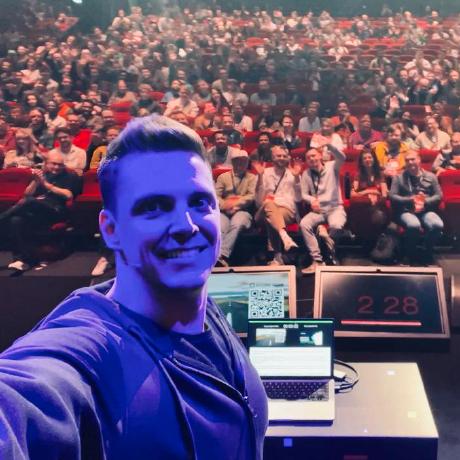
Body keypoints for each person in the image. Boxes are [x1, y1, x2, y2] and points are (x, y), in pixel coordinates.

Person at [0, 115, 268, 458]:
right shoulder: (89, 351)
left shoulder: (202, 306)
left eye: (199, 202)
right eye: (154, 207)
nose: (186, 225)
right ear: (111, 230)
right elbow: (23, 397)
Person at [0, 151, 82, 271]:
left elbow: (68, 195)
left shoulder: (70, 176)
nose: (57, 167)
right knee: (15, 220)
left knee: (30, 201)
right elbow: (26, 194)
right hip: (38, 210)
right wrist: (36, 181)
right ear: (46, 163)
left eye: (60, 164)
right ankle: (22, 259)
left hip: (56, 210)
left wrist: (46, 184)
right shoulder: (43, 175)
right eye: (54, 164)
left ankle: (1, 218)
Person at [389, 150, 443, 264]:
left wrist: (425, 201)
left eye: (412, 159)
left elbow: (439, 195)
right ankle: (410, 253)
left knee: (437, 225)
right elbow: (392, 196)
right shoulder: (398, 178)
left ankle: (426, 251)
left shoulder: (431, 176)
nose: (410, 162)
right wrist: (410, 199)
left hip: (425, 210)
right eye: (407, 160)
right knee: (414, 225)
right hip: (406, 210)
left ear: (419, 160)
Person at [299, 145, 346, 274]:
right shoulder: (306, 174)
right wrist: (312, 200)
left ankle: (329, 252)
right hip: (318, 210)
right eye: (308, 157)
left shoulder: (332, 166)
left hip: (335, 208)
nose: (311, 158)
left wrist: (330, 146)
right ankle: (317, 260)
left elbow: (342, 157)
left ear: (320, 156)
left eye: (313, 155)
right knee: (304, 224)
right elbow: (303, 194)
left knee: (336, 226)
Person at [253, 145, 302, 266]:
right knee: (268, 204)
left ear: (288, 158)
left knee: (272, 218)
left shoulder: (293, 174)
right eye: (278, 156)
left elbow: (299, 198)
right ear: (272, 157)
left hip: (286, 210)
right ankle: (284, 236)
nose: (282, 158)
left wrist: (296, 178)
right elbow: (258, 201)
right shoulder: (264, 173)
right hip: (263, 210)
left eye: (284, 156)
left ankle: (278, 256)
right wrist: (260, 177)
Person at [215, 149, 256, 266]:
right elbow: (216, 196)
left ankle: (221, 255)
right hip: (224, 211)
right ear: (232, 162)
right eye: (237, 161)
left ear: (247, 163)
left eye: (243, 161)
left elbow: (251, 196)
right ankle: (218, 257)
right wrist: (224, 205)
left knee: (236, 224)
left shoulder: (252, 177)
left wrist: (235, 204)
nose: (240, 164)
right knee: (221, 226)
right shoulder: (223, 177)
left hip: (243, 211)